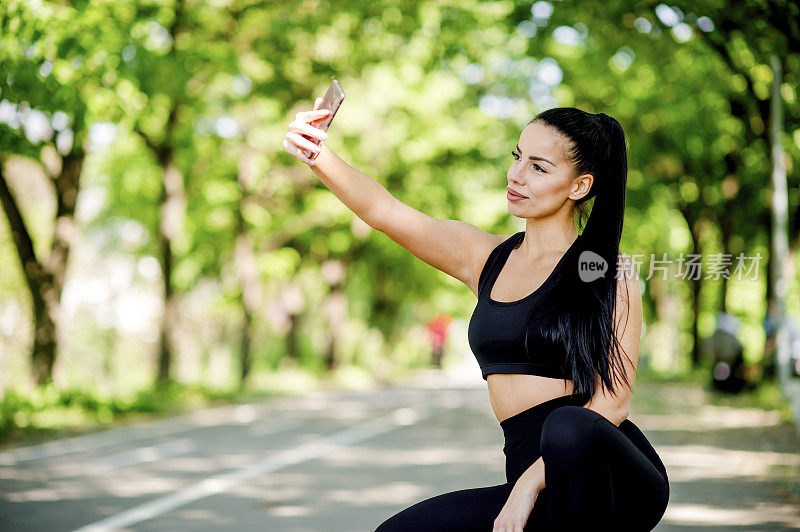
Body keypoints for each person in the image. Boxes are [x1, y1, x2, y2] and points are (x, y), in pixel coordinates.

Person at [283, 102, 669, 530]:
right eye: (516, 156)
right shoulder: (485, 257)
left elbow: (614, 403)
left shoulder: (607, 272)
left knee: (565, 424)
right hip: (532, 477)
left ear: (579, 186)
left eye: (539, 167)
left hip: (606, 480)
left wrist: (525, 488)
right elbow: (386, 212)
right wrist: (318, 154)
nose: (517, 175)